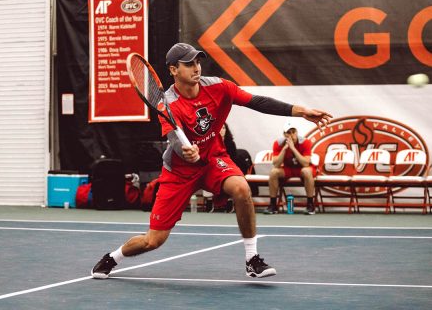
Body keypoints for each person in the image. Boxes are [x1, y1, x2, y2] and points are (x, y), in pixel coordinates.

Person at [91, 43, 332, 279]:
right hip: (180, 172)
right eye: (188, 64)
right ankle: (113, 257)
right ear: (173, 70)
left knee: (241, 188)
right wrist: (187, 151)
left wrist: (299, 111)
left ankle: (252, 259)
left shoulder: (219, 87)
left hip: (213, 159)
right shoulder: (168, 104)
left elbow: (256, 101)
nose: (196, 68)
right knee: (153, 241)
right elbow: (175, 140)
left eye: (197, 62)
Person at [263, 120, 317, 215]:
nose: (292, 135)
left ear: (297, 132)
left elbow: (306, 163)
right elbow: (276, 164)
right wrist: (284, 149)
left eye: (293, 132)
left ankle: (310, 204)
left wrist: (293, 148)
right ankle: (273, 205)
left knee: (306, 171)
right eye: (288, 132)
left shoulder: (305, 142)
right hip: (289, 168)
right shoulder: (278, 143)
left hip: (302, 168)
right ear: (284, 134)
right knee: (273, 172)